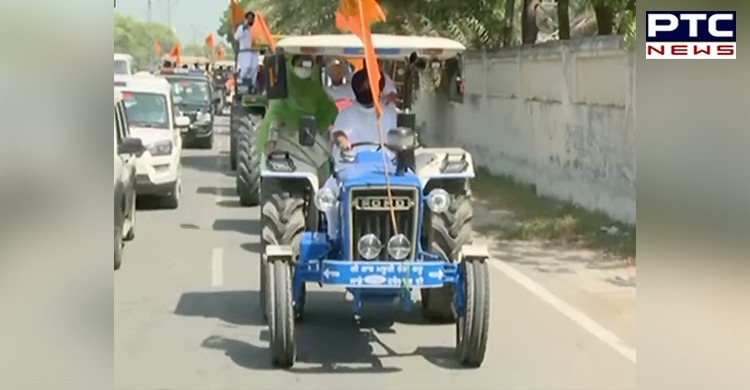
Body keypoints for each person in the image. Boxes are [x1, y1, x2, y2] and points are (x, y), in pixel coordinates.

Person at [322, 68, 397, 239]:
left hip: (385, 166)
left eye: (370, 86)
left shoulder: (390, 114)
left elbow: (401, 135)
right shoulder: (345, 114)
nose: (367, 90)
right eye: (363, 87)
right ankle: (334, 235)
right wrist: (342, 141)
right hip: (352, 164)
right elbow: (338, 133)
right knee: (329, 192)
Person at [234, 11, 261, 89]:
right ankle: (242, 83)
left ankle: (252, 86)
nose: (250, 20)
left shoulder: (255, 29)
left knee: (253, 70)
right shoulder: (241, 28)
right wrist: (243, 28)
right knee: (245, 69)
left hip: (254, 52)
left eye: (251, 18)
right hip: (244, 53)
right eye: (248, 18)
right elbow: (236, 37)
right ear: (246, 19)